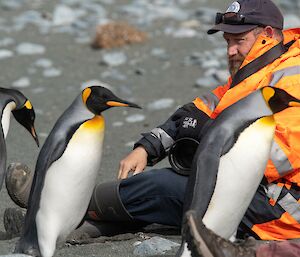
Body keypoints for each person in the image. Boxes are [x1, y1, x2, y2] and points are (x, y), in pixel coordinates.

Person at [4, 0, 300, 252]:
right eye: (227, 42)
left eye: (239, 41)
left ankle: (46, 204)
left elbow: (275, 155)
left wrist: (209, 136)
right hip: (252, 192)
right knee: (174, 191)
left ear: (268, 35)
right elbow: (197, 110)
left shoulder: (291, 79)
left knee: (164, 187)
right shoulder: (256, 74)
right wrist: (148, 147)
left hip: (281, 211)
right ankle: (85, 225)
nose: (231, 51)